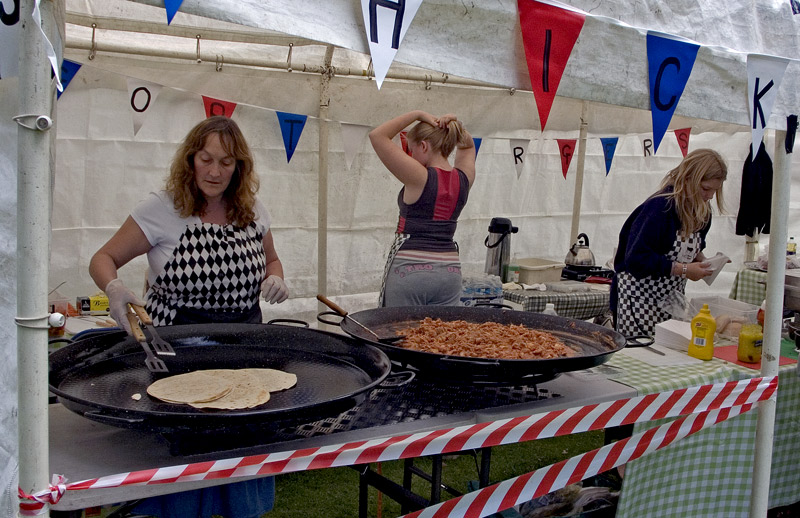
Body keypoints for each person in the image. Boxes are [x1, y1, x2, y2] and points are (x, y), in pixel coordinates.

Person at [89, 115, 288, 518]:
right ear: (191, 159)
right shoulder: (162, 208)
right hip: (178, 346)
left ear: (240, 167)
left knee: (245, 442)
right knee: (185, 446)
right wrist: (114, 288)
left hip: (245, 344)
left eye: (227, 162)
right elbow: (103, 257)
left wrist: (277, 277)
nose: (215, 171)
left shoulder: (252, 208)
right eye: (206, 159)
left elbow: (272, 258)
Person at [611, 148, 728, 337]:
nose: (710, 196)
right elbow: (636, 259)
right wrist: (683, 270)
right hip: (639, 299)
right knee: (641, 356)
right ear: (688, 179)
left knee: (671, 351)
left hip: (672, 299)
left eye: (715, 191)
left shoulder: (703, 211)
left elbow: (693, 246)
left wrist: (706, 262)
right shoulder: (659, 208)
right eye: (706, 189)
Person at [369, 110, 476, 307]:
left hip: (411, 269)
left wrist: (417, 114)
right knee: (440, 335)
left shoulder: (420, 176)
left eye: (412, 149)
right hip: (450, 271)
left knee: (399, 333)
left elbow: (377, 136)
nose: (411, 155)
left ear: (424, 146)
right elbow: (468, 145)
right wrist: (454, 126)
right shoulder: (464, 178)